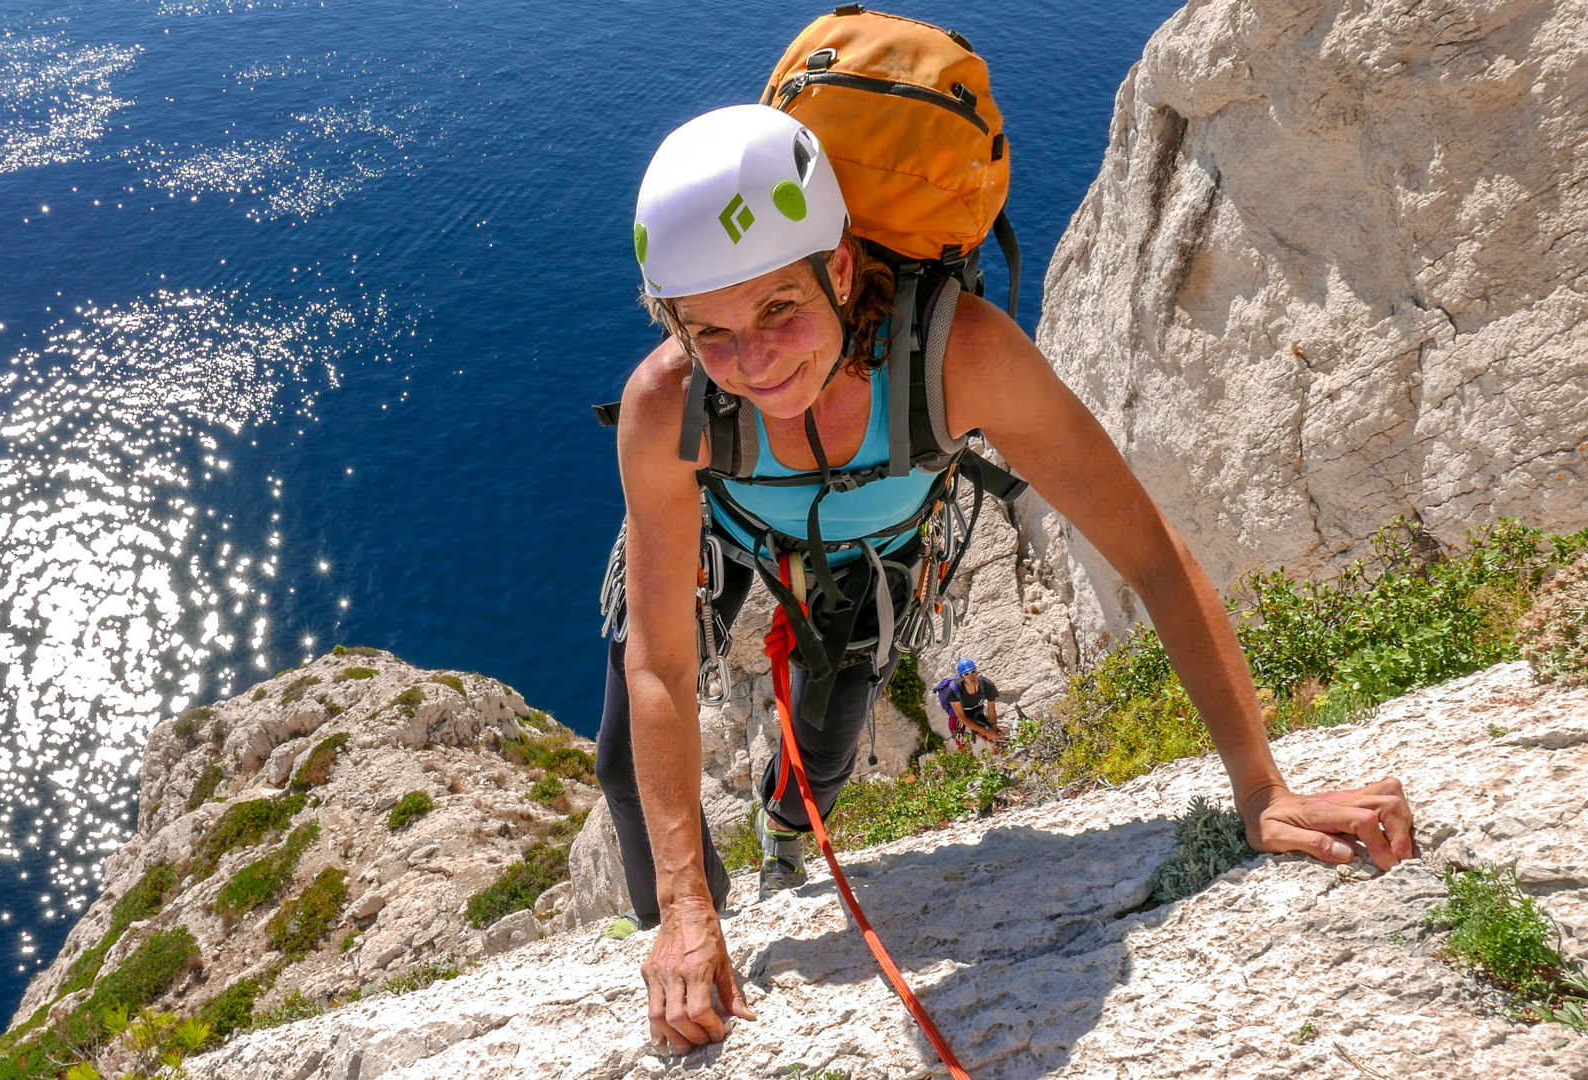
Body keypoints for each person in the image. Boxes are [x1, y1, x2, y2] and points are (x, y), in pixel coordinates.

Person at [596, 104, 1414, 1057]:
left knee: (830, 733)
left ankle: (786, 841)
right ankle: (691, 933)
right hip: (720, 527)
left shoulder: (960, 356)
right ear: (677, 328)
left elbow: (1146, 552)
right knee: (621, 757)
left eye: (780, 309)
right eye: (712, 333)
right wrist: (685, 905)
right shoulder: (669, 407)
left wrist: (1262, 790)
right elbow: (659, 666)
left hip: (872, 554)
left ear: (843, 268)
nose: (755, 363)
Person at [934, 658, 1003, 753]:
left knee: (1001, 740)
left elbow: (992, 711)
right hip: (958, 718)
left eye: (973, 672)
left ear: (977, 672)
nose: (971, 676)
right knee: (963, 747)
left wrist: (993, 733)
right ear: (962, 677)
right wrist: (985, 732)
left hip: (976, 712)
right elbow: (961, 717)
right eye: (966, 674)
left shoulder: (987, 685)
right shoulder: (953, 690)